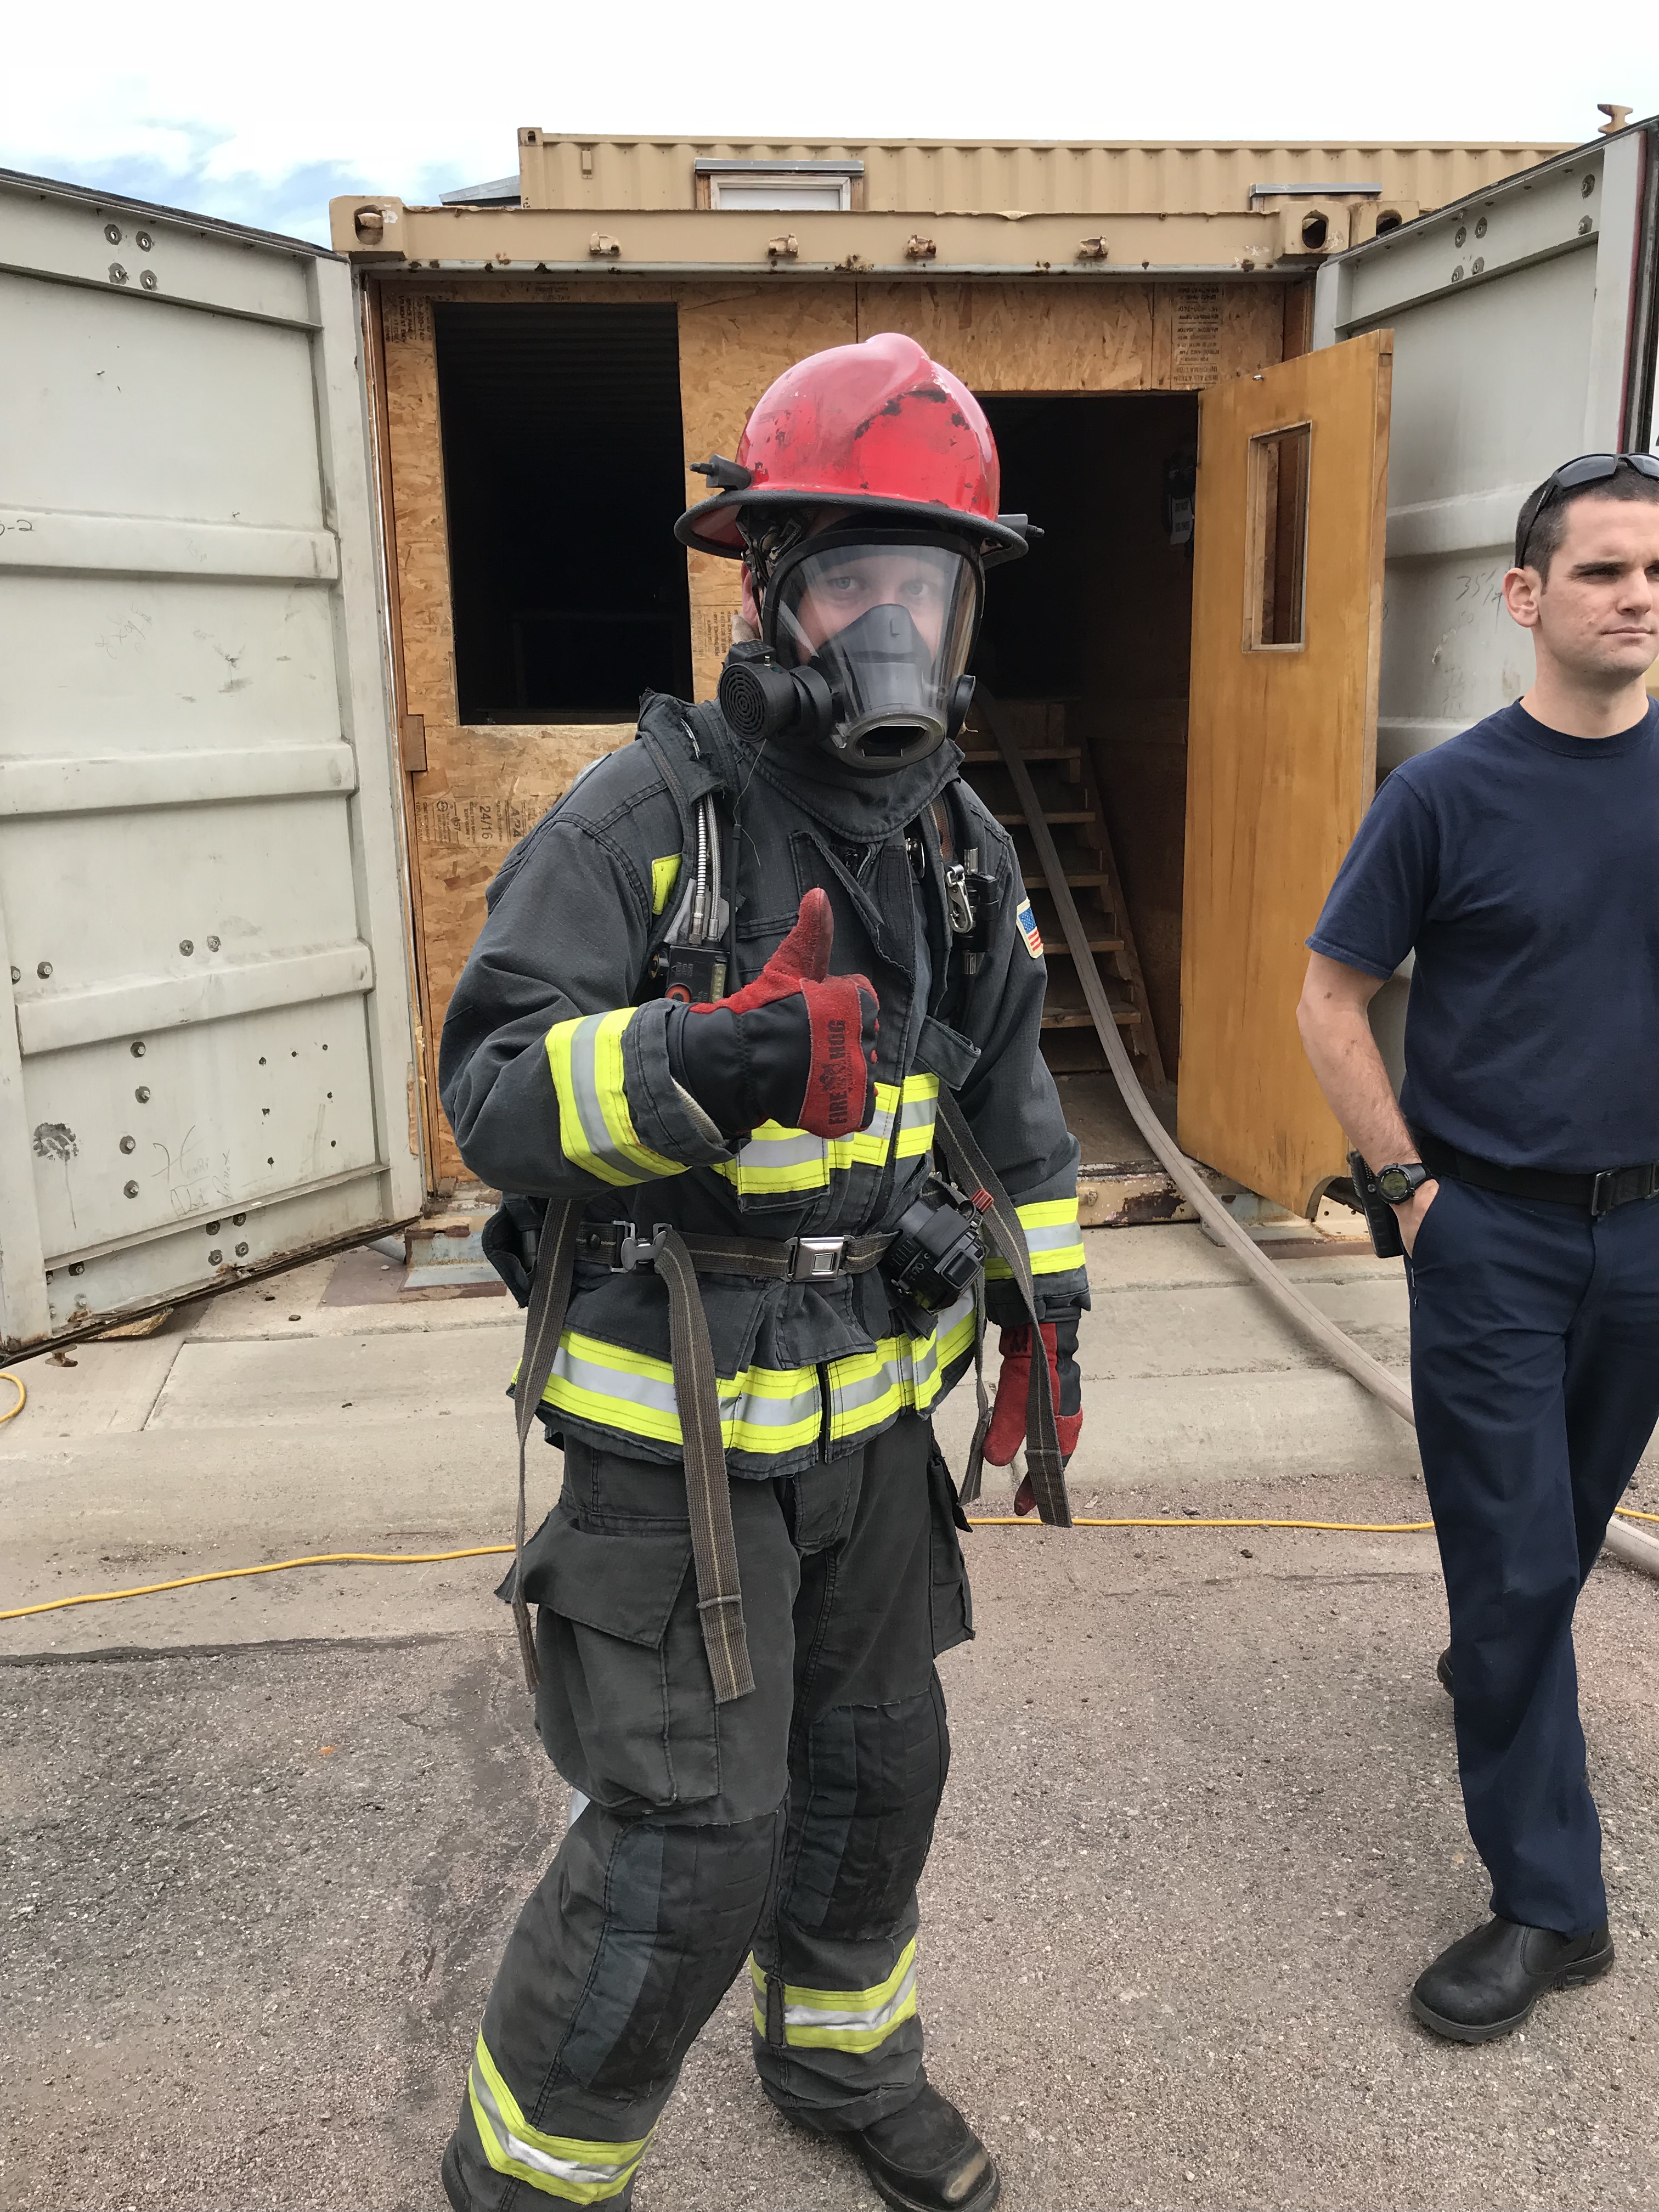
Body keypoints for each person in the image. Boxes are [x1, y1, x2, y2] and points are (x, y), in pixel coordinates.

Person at [435, 331, 1090, 2211]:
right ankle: (527, 2179)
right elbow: (489, 1090)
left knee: (880, 1780)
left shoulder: (960, 848)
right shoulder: (645, 823)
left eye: (928, 584)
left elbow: (1020, 1110)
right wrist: (697, 1062)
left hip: (877, 1424)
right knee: (685, 1842)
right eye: (851, 579)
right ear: (765, 583)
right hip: (678, 1435)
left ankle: (834, 2062)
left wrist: (1046, 1303)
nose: (892, 625)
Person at [1297, 450, 1659, 2043]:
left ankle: (1493, 1675)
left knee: (1558, 1536)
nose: (1638, 596)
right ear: (1525, 597)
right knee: (1516, 1569)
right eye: (1602, 571)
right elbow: (1331, 1001)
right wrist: (1412, 1192)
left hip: (1651, 1236)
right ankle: (1549, 1907)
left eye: (1655, 572)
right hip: (1493, 1237)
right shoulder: (1444, 795)